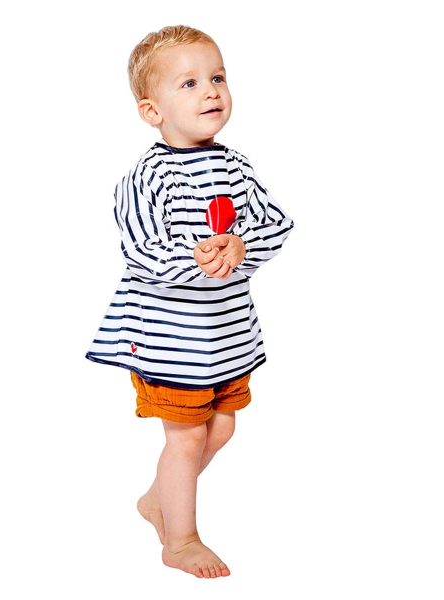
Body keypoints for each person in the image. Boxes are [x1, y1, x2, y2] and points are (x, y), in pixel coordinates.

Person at [85, 25, 293, 578]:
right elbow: (142, 252)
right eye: (190, 83)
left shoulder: (236, 167)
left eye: (217, 77)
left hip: (226, 336)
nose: (211, 91)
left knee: (221, 428)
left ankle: (158, 499)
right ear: (151, 111)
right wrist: (199, 258)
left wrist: (241, 245)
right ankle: (180, 541)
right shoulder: (146, 176)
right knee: (186, 437)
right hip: (170, 340)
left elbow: (278, 225)